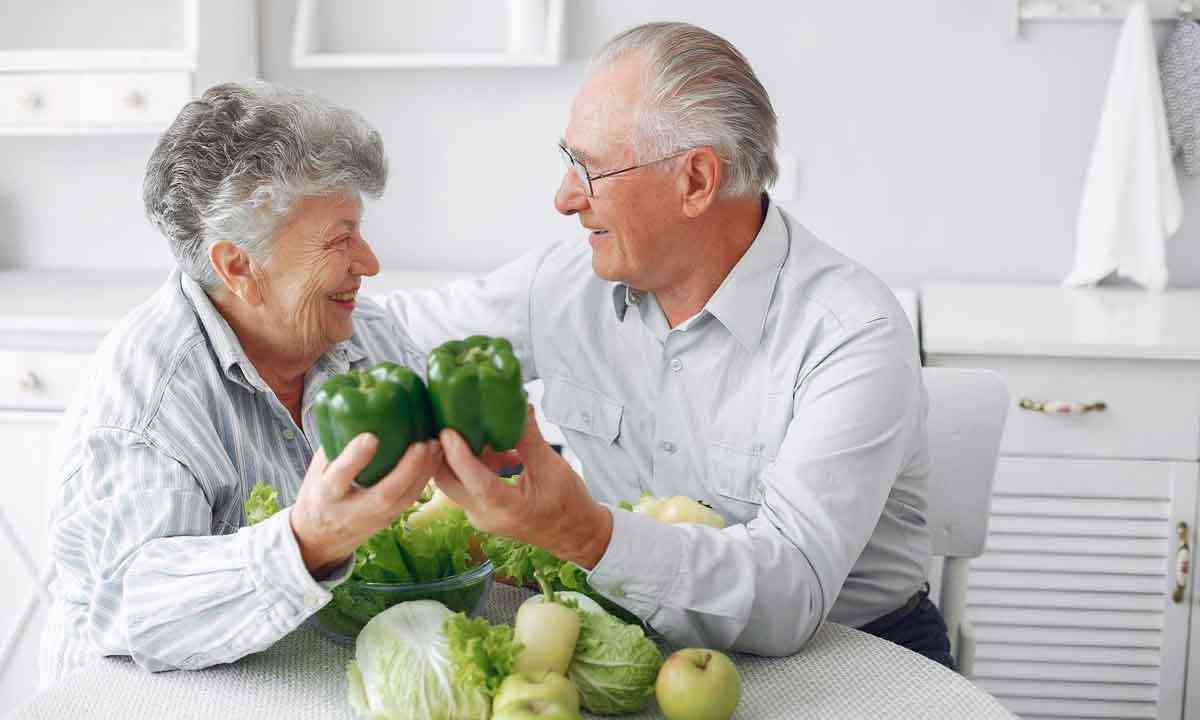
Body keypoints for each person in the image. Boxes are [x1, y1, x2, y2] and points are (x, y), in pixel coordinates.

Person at [386, 21, 951, 666]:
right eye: (570, 161)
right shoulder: (564, 284)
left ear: (697, 181)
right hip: (637, 638)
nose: (566, 198)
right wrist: (276, 293)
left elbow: (788, 596)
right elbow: (394, 337)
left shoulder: (851, 334)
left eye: (592, 169)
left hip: (858, 657)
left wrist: (579, 530)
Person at [39, 81, 442, 684]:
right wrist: (307, 543)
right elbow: (136, 608)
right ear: (238, 266)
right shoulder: (147, 399)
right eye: (340, 239)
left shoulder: (369, 339)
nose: (370, 262)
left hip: (309, 676)